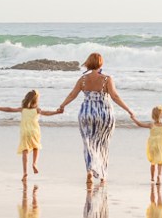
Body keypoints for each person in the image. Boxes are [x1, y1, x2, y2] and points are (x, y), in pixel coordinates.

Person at [56, 53, 136, 184]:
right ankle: (102, 174)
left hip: (86, 114)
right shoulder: (107, 79)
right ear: (101, 63)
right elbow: (115, 97)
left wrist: (62, 106)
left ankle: (89, 170)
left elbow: (72, 95)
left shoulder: (82, 80)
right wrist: (128, 110)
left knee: (88, 143)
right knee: (103, 144)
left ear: (88, 63)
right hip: (104, 114)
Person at [0, 89, 61, 180]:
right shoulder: (37, 110)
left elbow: (9, 109)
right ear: (36, 101)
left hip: (25, 132)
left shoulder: (22, 109)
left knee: (25, 151)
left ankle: (25, 172)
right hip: (34, 131)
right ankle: (34, 164)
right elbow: (47, 113)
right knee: (36, 147)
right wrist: (57, 112)